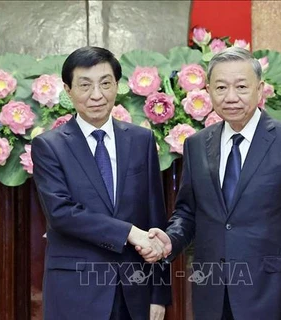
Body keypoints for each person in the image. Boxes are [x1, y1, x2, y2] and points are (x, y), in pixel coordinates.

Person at [138, 47, 281, 320]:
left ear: (260, 89)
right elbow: (188, 212)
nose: (231, 97)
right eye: (221, 87)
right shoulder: (197, 144)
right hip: (211, 292)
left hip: (271, 292)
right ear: (208, 91)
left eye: (241, 86)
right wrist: (170, 239)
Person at [31, 46, 171, 320]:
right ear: (68, 90)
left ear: (117, 86)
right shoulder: (49, 146)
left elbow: (156, 217)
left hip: (134, 290)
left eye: (105, 83)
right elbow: (61, 214)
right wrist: (130, 232)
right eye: (85, 85)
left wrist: (159, 294)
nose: (97, 95)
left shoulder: (141, 140)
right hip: (76, 291)